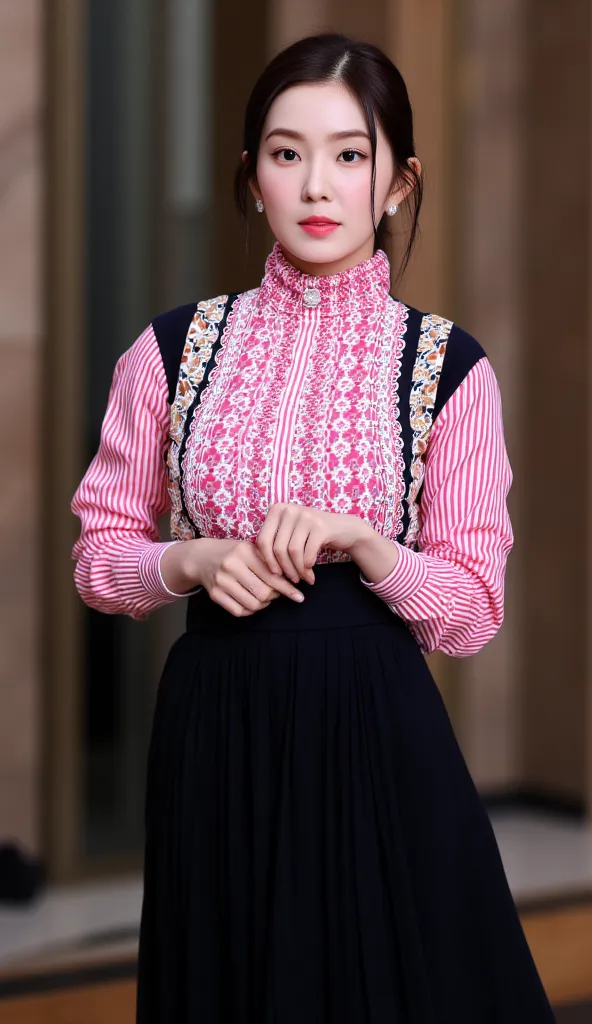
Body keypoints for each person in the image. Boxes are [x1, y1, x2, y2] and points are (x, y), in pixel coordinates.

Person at [71, 32, 556, 1024]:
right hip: (217, 726)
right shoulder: (167, 351)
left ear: (396, 181)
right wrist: (188, 559)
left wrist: (369, 545)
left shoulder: (448, 366)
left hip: (374, 730)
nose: (317, 183)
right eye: (286, 153)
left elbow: (468, 612)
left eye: (349, 153)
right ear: (250, 178)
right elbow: (99, 556)